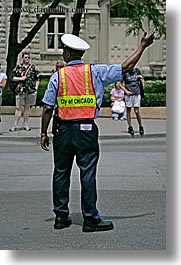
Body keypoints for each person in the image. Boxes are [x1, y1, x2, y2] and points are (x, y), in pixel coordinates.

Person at [40, 31, 155, 232]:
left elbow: (48, 107)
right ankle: (91, 219)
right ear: (80, 54)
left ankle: (60, 216)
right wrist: (143, 45)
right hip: (86, 130)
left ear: (67, 53)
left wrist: (43, 133)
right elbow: (126, 67)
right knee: (88, 174)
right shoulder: (94, 72)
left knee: (60, 173)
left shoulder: (58, 76)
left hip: (63, 131)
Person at [9, 52, 40, 132]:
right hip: (20, 90)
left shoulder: (32, 68)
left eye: (28, 57)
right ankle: (15, 125)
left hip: (30, 90)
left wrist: (36, 88)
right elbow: (12, 77)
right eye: (25, 57)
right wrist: (20, 78)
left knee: (27, 108)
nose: (27, 59)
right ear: (22, 58)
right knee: (18, 108)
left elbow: (37, 79)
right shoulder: (18, 67)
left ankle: (26, 124)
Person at [121, 67, 144, 136]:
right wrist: (126, 91)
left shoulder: (137, 71)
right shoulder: (125, 73)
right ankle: (130, 126)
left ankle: (140, 126)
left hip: (137, 93)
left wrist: (140, 78)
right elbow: (119, 84)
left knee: (136, 111)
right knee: (128, 110)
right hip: (129, 94)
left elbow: (141, 80)